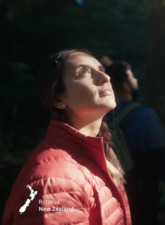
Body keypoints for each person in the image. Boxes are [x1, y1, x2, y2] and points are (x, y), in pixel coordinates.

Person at [2, 49, 131, 225]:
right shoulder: (55, 182)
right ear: (58, 99)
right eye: (83, 72)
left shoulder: (94, 157)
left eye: (101, 69)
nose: (105, 78)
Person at [105, 61, 165, 225]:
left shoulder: (97, 116)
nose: (136, 80)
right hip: (140, 193)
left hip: (105, 194)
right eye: (132, 76)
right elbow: (162, 157)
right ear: (125, 85)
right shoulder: (144, 116)